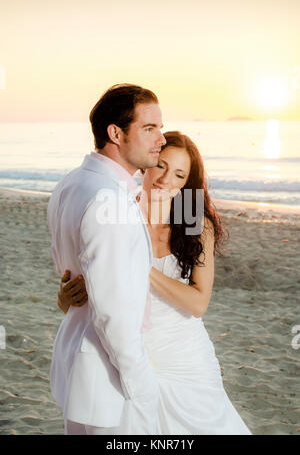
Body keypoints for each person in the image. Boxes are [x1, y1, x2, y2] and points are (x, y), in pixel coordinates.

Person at [58, 131, 252, 435]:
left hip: (184, 358)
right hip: (128, 352)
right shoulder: (117, 214)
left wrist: (138, 266)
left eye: (179, 174)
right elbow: (82, 299)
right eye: (161, 166)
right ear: (147, 163)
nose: (166, 180)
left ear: (187, 183)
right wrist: (66, 297)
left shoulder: (194, 225)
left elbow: (198, 303)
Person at [47, 83, 166, 435]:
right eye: (149, 128)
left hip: (78, 358)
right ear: (116, 133)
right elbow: (112, 310)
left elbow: (68, 275)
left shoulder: (70, 183)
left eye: (160, 127)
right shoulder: (108, 200)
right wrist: (141, 383)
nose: (161, 138)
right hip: (107, 375)